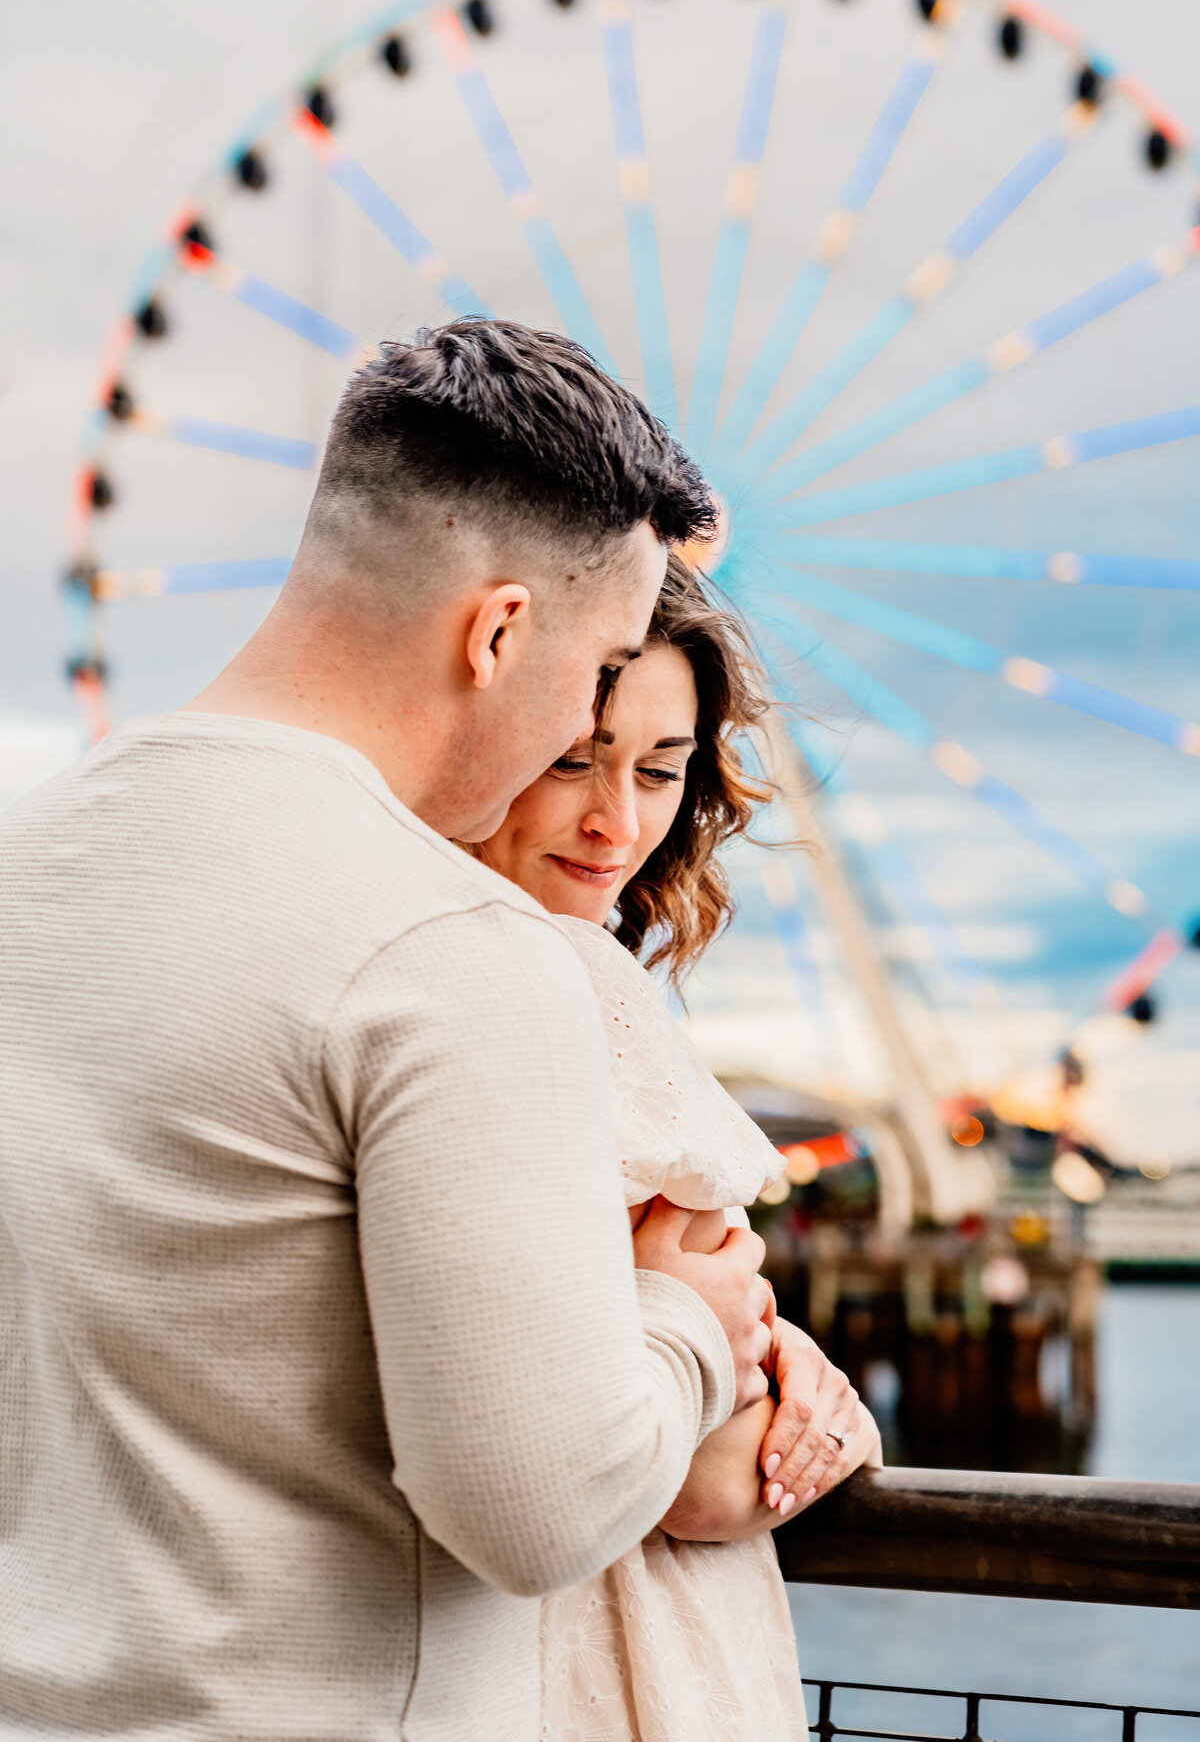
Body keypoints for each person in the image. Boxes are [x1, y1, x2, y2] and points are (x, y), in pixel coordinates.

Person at [0, 322, 778, 1741]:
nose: (583, 722)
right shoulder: (451, 953)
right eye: (596, 664)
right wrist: (686, 1323)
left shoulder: (25, 864)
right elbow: (536, 1512)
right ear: (499, 633)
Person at [475, 554, 882, 1740]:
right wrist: (832, 1412)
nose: (618, 822)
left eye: (661, 771)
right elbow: (707, 1481)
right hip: (619, 1663)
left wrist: (757, 1339)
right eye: (570, 759)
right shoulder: (571, 985)